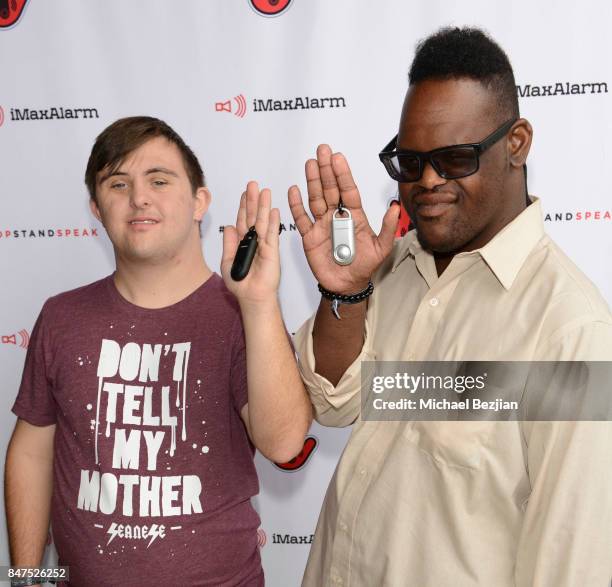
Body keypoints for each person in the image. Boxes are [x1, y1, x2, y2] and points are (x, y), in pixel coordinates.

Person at [289, 27, 612, 586]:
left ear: (516, 144)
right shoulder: (387, 266)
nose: (428, 182)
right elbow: (333, 402)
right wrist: (345, 293)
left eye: (455, 158)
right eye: (410, 163)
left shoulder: (570, 331)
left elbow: (569, 563)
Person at [5, 116, 312, 587]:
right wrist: (26, 578)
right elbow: (31, 453)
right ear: (95, 206)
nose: (139, 197)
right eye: (118, 182)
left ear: (199, 202)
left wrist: (258, 304)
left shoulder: (241, 315)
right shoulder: (62, 317)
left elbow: (285, 443)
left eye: (159, 180)